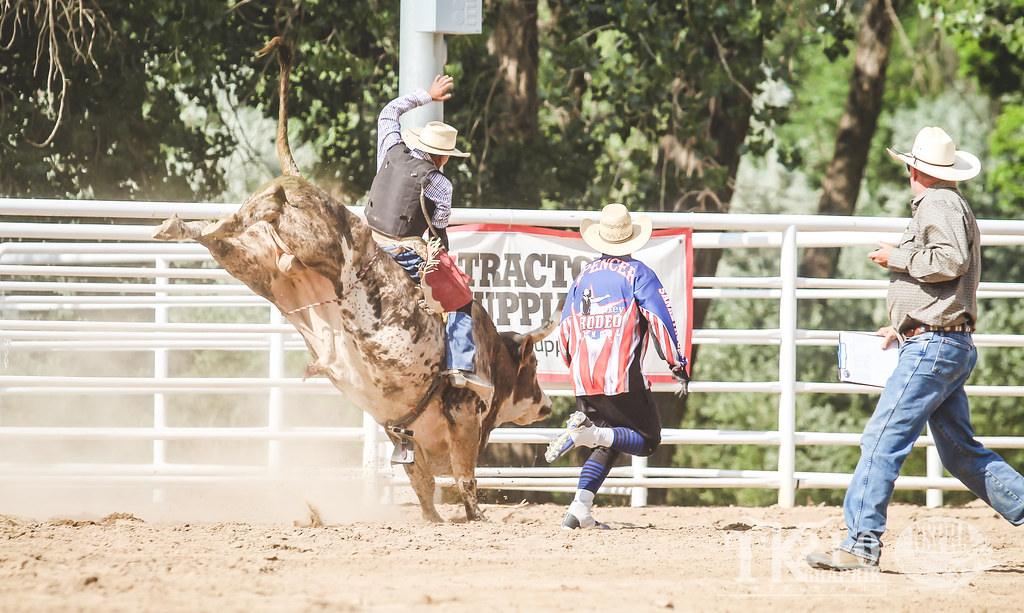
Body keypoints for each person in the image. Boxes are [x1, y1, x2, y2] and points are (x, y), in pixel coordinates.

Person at [807, 126, 1024, 571]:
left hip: (933, 346)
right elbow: (950, 273)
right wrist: (902, 326)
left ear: (913, 169)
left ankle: (861, 543)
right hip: (943, 343)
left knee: (883, 437)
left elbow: (949, 261)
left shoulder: (937, 203)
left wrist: (896, 257)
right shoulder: (951, 202)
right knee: (961, 453)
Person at [545, 203, 689, 529]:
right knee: (647, 440)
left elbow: (565, 328)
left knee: (610, 438)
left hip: (584, 377)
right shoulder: (639, 273)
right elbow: (660, 321)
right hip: (621, 378)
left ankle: (579, 510)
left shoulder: (583, 277)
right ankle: (587, 433)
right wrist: (677, 363)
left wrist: (574, 369)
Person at [366, 75, 492, 397]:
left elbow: (388, 112)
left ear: (419, 143)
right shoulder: (441, 184)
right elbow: (437, 228)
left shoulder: (390, 149)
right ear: (445, 157)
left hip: (366, 243)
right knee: (461, 297)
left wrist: (428, 95)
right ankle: (459, 364)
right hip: (401, 251)